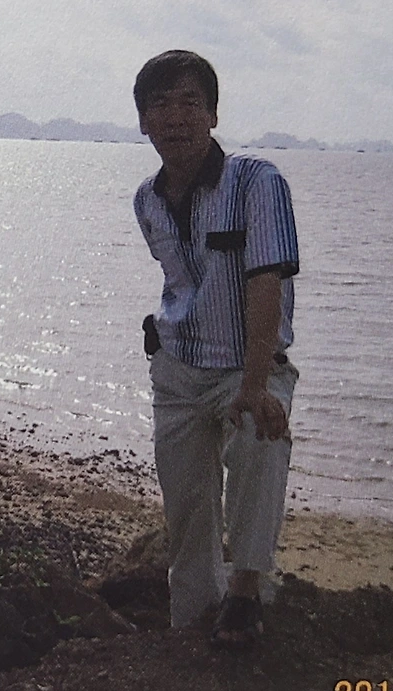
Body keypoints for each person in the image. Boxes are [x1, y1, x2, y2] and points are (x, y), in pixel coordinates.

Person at [131, 50, 299, 648]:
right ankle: (192, 618)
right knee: (187, 505)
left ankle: (246, 592)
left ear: (214, 113)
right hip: (177, 369)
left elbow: (267, 279)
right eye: (160, 105)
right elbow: (178, 281)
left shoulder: (257, 182)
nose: (176, 117)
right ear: (143, 122)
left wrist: (254, 383)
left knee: (259, 436)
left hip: (246, 365)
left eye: (190, 102)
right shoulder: (146, 200)